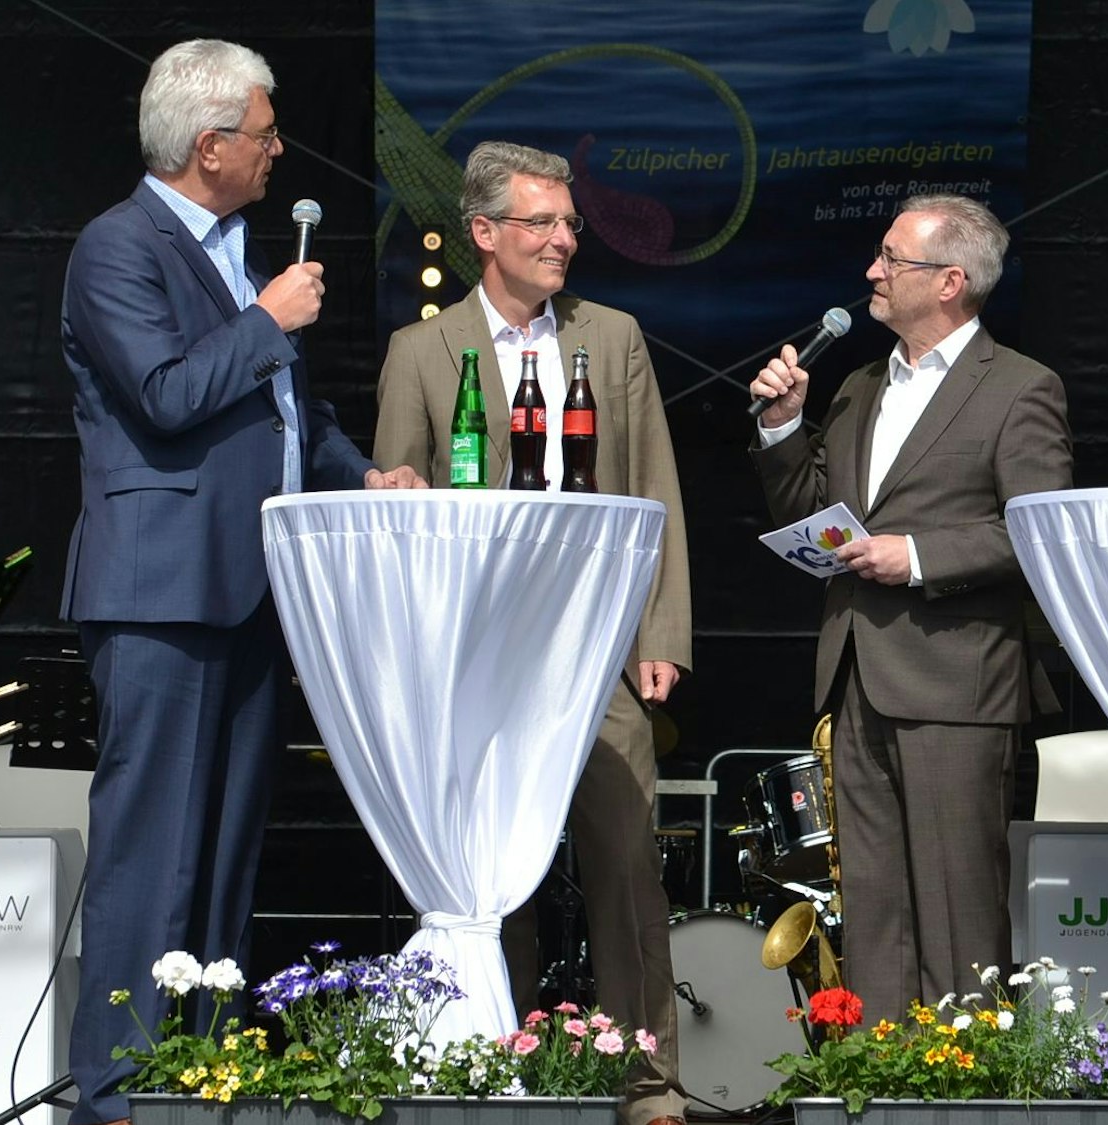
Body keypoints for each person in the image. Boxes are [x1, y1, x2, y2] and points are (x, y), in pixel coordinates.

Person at [61, 38, 425, 1125]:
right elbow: (167, 396)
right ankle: (118, 1091)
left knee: (224, 851)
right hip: (162, 593)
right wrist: (266, 321)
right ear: (208, 145)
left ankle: (201, 1073)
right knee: (152, 849)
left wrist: (361, 472)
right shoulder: (116, 248)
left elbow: (284, 416)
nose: (277, 152)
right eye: (264, 136)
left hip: (254, 584)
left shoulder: (234, 250)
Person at [371, 140, 691, 1125]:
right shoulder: (418, 353)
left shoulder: (614, 336)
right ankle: (488, 1069)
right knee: (482, 874)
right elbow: (394, 519)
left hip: (592, 652)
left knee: (626, 866)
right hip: (472, 662)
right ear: (483, 234)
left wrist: (661, 634)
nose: (564, 240)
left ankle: (650, 1087)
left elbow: (655, 491)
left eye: (569, 224)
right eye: (541, 223)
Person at [748, 193, 1072, 1024]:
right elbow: (814, 506)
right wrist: (786, 429)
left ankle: (964, 1092)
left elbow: (1038, 534)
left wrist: (918, 555)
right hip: (857, 679)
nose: (872, 272)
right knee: (876, 913)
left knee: (958, 909)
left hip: (958, 684)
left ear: (952, 281)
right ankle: (884, 1076)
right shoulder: (859, 386)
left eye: (893, 258)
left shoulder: (1020, 388)